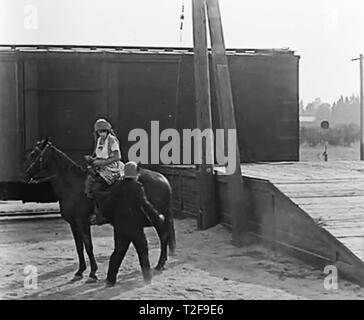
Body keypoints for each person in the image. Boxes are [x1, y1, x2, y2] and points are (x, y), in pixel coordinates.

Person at [94, 161, 165, 287]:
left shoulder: (117, 187)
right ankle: (147, 279)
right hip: (135, 227)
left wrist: (111, 219)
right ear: (136, 173)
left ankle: (110, 280)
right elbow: (146, 205)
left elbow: (107, 205)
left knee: (118, 253)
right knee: (143, 252)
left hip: (120, 227)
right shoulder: (137, 187)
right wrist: (157, 217)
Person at [84, 118, 124, 225]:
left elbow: (117, 157)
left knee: (96, 188)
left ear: (108, 131)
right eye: (99, 132)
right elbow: (98, 155)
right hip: (100, 167)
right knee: (88, 181)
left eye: (103, 131)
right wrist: (92, 159)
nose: (102, 134)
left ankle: (101, 214)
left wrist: (101, 163)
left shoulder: (112, 140)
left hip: (112, 168)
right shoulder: (98, 141)